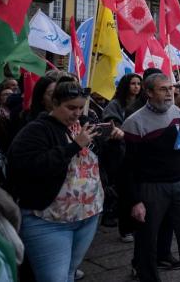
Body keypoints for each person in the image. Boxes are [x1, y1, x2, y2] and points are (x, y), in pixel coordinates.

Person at [8, 79, 119, 282]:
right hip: (48, 221)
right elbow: (27, 166)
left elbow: (102, 163)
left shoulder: (84, 125)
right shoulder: (36, 130)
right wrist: (73, 146)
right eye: (70, 108)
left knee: (69, 274)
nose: (76, 113)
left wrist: (113, 141)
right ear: (54, 103)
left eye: (80, 107)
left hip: (88, 216)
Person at [121, 74, 180, 282]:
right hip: (151, 187)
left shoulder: (178, 113)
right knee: (147, 242)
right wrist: (134, 201)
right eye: (163, 89)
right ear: (148, 92)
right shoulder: (134, 122)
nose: (169, 93)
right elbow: (126, 167)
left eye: (170, 88)